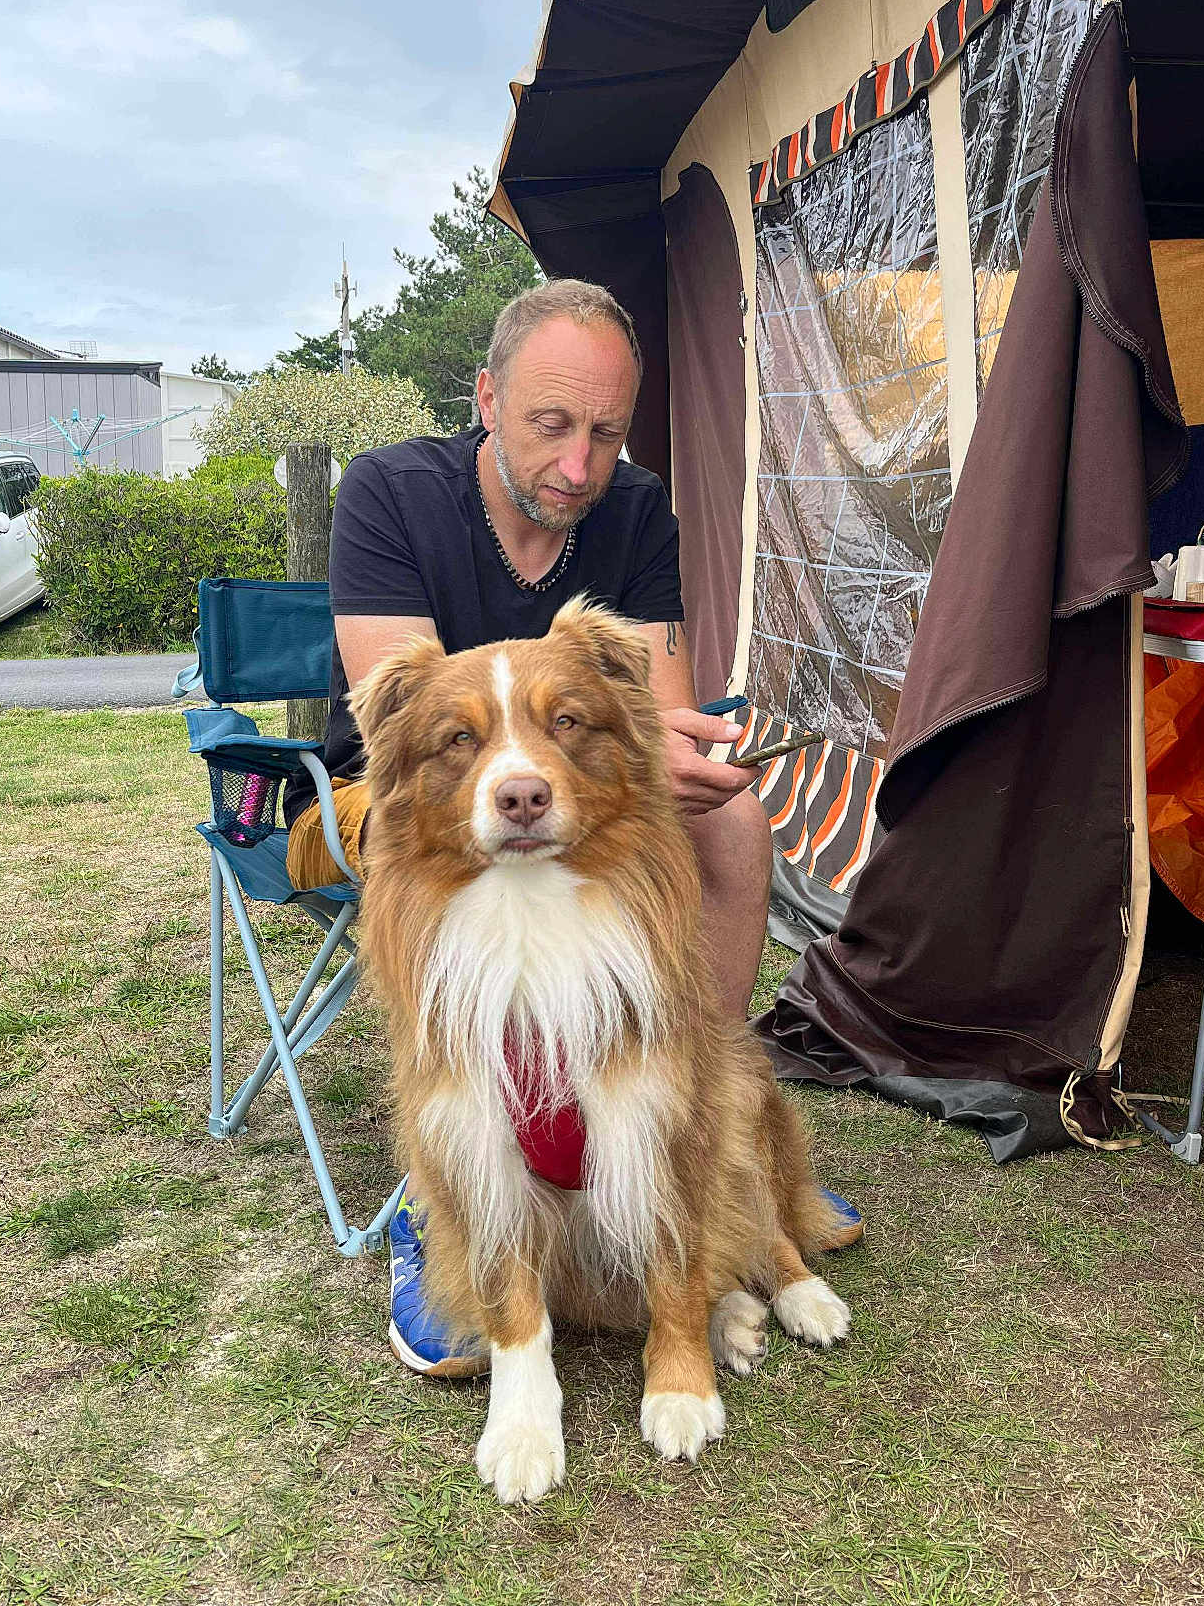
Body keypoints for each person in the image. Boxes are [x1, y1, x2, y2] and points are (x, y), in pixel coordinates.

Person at [284, 277, 858, 1374]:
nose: (581, 466)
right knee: (417, 837)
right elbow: (400, 733)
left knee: (729, 823)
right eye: (553, 425)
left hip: (566, 769)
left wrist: (686, 761)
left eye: (607, 432)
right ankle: (444, 1177)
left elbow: (656, 721)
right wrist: (512, 768)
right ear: (489, 398)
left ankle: (675, 1111)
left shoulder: (636, 510)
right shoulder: (391, 491)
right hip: (419, 789)